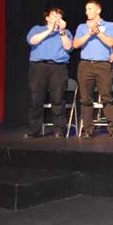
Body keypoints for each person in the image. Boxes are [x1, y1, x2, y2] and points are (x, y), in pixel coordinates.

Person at [25, 8, 73, 138]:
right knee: (36, 99)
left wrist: (61, 32)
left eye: (59, 16)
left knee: (58, 98)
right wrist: (49, 30)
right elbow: (32, 41)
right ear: (47, 18)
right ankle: (34, 131)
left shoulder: (66, 32)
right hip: (39, 66)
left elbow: (68, 47)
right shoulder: (37, 29)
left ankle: (59, 130)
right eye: (54, 15)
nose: (57, 18)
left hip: (58, 67)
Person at [73, 0, 113, 137]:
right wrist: (89, 33)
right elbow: (75, 44)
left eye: (90, 9)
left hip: (103, 65)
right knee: (86, 98)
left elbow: (111, 42)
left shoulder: (109, 25)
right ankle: (87, 129)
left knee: (106, 97)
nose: (87, 12)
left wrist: (97, 31)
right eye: (86, 9)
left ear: (98, 10)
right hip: (86, 65)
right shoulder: (81, 27)